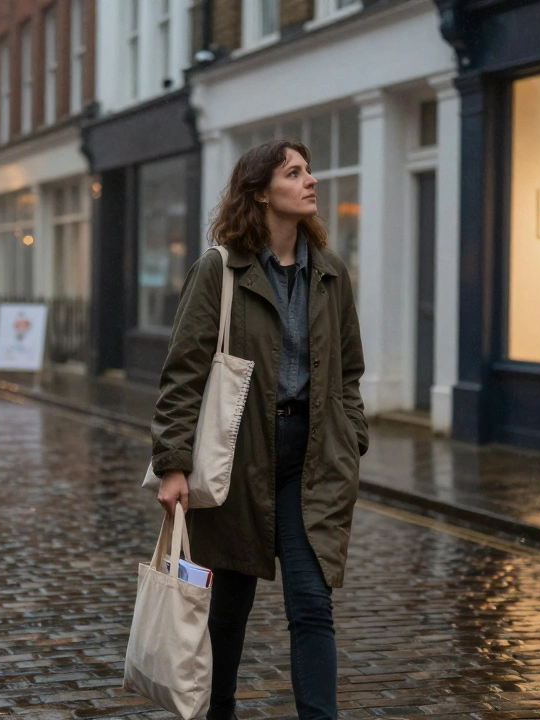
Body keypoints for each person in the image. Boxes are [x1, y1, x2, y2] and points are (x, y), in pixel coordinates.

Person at [150, 140, 367, 720]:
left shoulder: (331, 274)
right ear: (260, 192)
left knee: (312, 604)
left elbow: (348, 371)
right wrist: (173, 463)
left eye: (309, 170)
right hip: (236, 460)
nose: (310, 181)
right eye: (293, 172)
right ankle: (218, 710)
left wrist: (352, 437)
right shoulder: (220, 270)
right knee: (226, 610)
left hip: (310, 462)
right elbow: (184, 371)